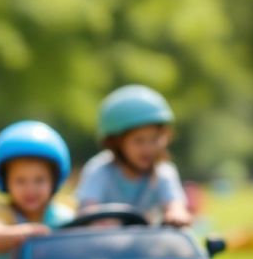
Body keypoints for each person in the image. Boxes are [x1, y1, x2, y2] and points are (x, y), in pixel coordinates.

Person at [75, 84, 191, 226]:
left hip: (146, 245)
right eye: (139, 141)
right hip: (104, 244)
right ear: (117, 143)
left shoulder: (163, 172)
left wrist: (175, 213)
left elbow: (175, 204)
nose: (148, 148)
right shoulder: (99, 170)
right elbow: (88, 209)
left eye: (154, 139)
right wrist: (98, 219)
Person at [0, 120, 75, 259]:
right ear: (6, 182)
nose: (30, 189)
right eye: (20, 181)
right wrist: (24, 232)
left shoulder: (61, 215)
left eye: (39, 180)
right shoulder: (3, 213)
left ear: (54, 181)